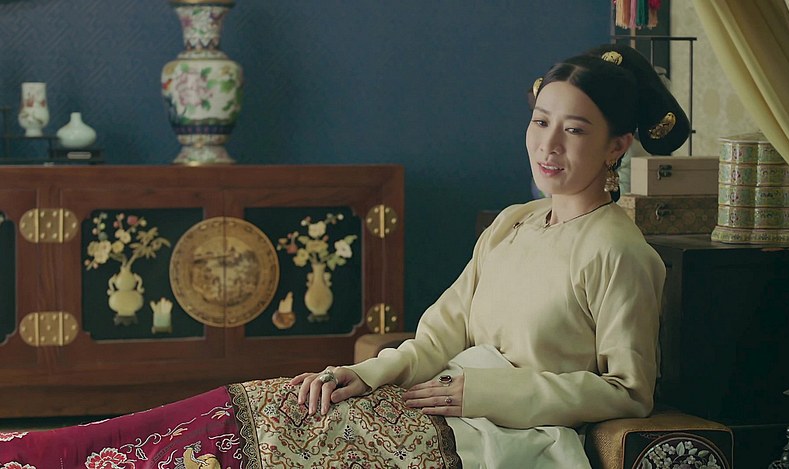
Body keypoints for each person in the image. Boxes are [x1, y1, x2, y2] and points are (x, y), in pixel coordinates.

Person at [0, 44, 690, 469]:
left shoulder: (618, 251)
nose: (548, 145)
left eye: (575, 130)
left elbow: (629, 392)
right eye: (540, 122)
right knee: (270, 403)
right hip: (438, 400)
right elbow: (440, 333)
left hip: (502, 438)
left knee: (268, 444)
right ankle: (36, 451)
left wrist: (482, 394)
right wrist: (364, 372)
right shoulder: (514, 223)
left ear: (616, 146)